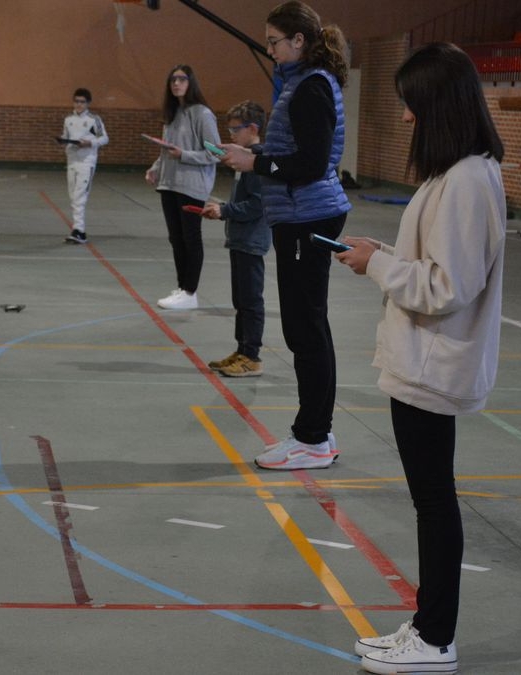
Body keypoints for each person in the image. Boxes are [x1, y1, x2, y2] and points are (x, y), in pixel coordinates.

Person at [335, 42, 506, 675]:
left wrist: (377, 265)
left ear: (440, 104)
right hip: (425, 360)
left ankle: (435, 639)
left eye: (412, 105)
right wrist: (382, 251)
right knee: (430, 500)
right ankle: (428, 626)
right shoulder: (458, 172)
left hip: (434, 364)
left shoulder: (467, 180)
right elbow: (437, 264)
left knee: (434, 502)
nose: (407, 117)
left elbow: (446, 287)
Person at [219, 1, 351, 469]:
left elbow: (312, 163)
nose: (270, 50)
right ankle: (315, 432)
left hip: (307, 218)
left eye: (275, 42)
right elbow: (298, 151)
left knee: (305, 329)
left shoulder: (312, 86)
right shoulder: (304, 82)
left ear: (299, 40)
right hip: (300, 216)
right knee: (307, 326)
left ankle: (312, 439)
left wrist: (255, 161)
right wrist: (255, 153)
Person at [145, 65, 221, 310]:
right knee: (176, 238)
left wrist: (184, 155)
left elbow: (216, 152)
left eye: (182, 79)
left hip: (191, 186)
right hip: (169, 184)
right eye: (173, 80)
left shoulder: (202, 114)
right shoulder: (173, 113)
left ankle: (190, 291)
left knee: (190, 238)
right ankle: (182, 288)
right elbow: (167, 149)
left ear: (191, 83)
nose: (176, 83)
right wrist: (156, 168)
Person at [203, 101, 269, 378]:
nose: (230, 135)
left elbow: (257, 205)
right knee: (240, 300)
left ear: (252, 129)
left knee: (251, 301)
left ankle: (252, 356)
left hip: (252, 241)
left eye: (235, 129)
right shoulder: (244, 160)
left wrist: (225, 211)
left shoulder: (257, 161)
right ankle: (241, 350)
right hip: (240, 239)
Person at [60, 88, 109, 244]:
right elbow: (66, 136)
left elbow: (104, 138)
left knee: (79, 196)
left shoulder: (94, 120)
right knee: (72, 195)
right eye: (76, 101)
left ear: (88, 103)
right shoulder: (68, 119)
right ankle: (77, 230)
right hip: (72, 161)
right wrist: (63, 141)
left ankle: (79, 230)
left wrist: (89, 143)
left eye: (82, 102)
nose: (79, 105)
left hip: (86, 162)